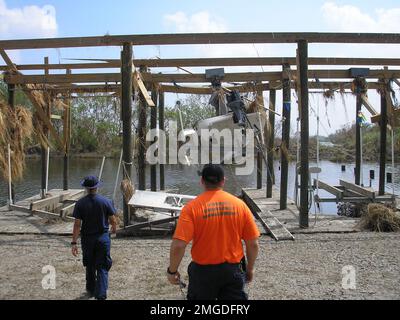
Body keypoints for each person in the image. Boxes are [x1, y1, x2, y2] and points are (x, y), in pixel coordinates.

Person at [167, 164, 260, 300]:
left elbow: (179, 245)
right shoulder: (240, 205)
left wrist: (172, 271)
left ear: (202, 182)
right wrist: (250, 268)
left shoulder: (191, 208)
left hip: (202, 272)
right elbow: (253, 244)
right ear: (223, 181)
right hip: (233, 270)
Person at [71, 176, 117, 300]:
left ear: (85, 188)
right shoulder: (105, 201)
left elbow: (77, 225)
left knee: (89, 264)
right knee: (102, 265)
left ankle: (91, 289)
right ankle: (101, 294)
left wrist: (74, 242)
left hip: (87, 239)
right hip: (102, 238)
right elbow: (113, 220)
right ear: (97, 187)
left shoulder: (80, 203)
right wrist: (114, 228)